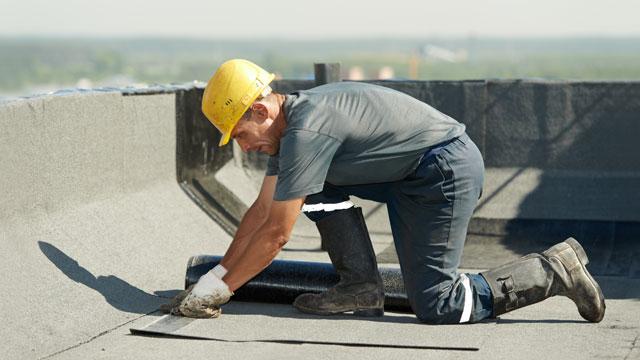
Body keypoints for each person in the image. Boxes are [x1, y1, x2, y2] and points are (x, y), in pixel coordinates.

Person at [163, 59, 605, 324]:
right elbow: (261, 214)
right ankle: (360, 286)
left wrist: (220, 292)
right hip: (410, 174)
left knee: (438, 305)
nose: (244, 147)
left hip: (442, 172)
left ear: (260, 108)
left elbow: (276, 235)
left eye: (241, 134)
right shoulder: (288, 133)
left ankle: (551, 271)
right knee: (309, 188)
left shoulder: (307, 129)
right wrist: (216, 276)